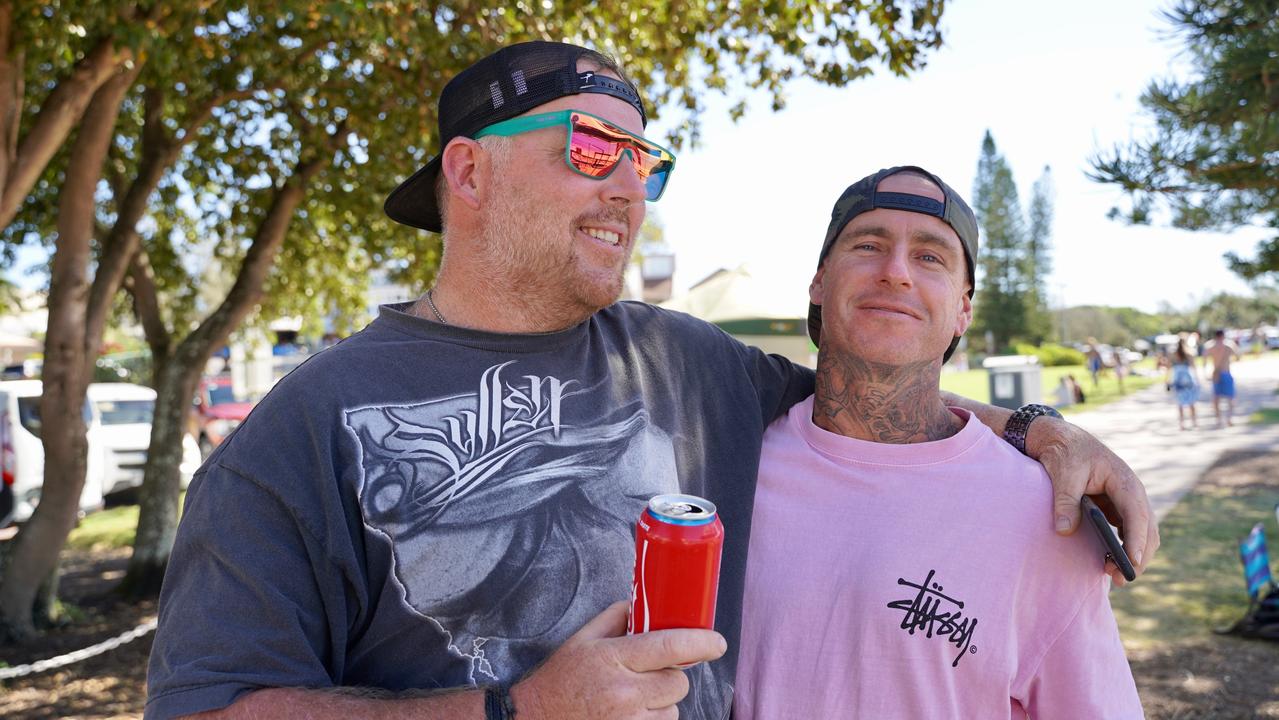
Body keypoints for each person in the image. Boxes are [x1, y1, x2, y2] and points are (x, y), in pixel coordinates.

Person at [145, 42, 1156, 720]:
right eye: (591, 150)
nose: (629, 187)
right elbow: (214, 707)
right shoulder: (303, 427)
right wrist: (516, 710)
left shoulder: (683, 361)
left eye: (644, 162)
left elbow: (871, 392)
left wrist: (1040, 428)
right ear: (467, 171)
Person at [735, 168, 1143, 718]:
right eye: (869, 244)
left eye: (930, 257)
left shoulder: (1046, 514)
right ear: (819, 281)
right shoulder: (731, 457)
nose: (896, 271)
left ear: (963, 310)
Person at [1204, 329, 1240, 427]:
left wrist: (1206, 374)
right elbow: (1238, 356)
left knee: (1216, 398)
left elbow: (1205, 360)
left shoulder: (1210, 346)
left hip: (1216, 374)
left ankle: (1218, 420)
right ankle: (1229, 419)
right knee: (1230, 398)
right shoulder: (1229, 345)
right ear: (1223, 335)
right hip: (1226, 373)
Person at [1169, 339, 1200, 430]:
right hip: (1188, 380)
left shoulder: (1173, 355)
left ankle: (1182, 424)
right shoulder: (1189, 354)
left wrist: (1168, 381)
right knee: (1191, 402)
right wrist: (1197, 380)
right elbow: (1194, 368)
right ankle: (1194, 422)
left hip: (1177, 380)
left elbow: (1169, 369)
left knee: (1180, 404)